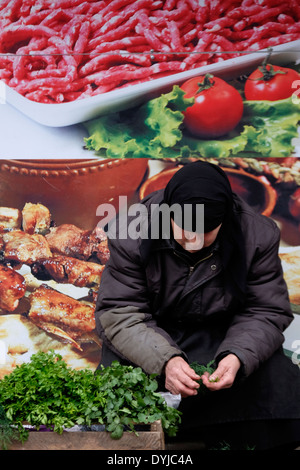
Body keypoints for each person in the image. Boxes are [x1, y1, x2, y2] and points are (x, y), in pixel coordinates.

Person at [95, 161, 300, 450]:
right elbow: (120, 312)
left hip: (223, 335)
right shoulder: (131, 232)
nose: (194, 241)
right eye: (185, 230)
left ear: (224, 220)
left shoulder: (257, 234)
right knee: (120, 411)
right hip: (149, 336)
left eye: (206, 232)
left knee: (281, 397)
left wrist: (238, 357)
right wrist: (165, 361)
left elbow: (265, 309)